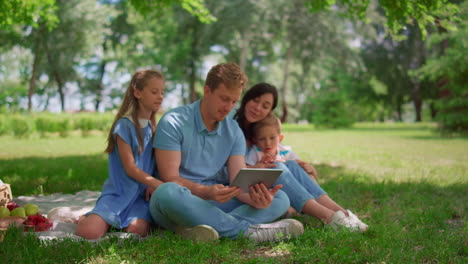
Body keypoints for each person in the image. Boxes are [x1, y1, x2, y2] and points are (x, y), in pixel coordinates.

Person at [148, 63, 304, 242]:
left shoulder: (233, 131)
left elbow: (238, 182)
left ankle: (197, 230)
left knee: (280, 198)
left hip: (216, 201)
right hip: (181, 201)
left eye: (233, 101)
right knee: (166, 192)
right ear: (207, 91)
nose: (229, 107)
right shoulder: (174, 121)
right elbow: (170, 178)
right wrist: (205, 191)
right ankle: (247, 232)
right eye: (224, 98)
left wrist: (256, 199)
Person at [234, 82, 368, 232]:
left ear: (270, 112)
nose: (258, 108)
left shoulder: (257, 130)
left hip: (263, 183)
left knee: (290, 165)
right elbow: (231, 171)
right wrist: (255, 167)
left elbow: (283, 153)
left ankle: (342, 213)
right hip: (238, 187)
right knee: (277, 166)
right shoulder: (233, 126)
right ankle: (329, 217)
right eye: (255, 100)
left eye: (265, 106)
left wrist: (304, 168)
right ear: (247, 98)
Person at [76, 69, 166, 240]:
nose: (160, 96)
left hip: (140, 198)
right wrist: (157, 183)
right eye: (154, 92)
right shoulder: (124, 126)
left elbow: (152, 164)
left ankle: (107, 221)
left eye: (162, 92)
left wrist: (150, 184)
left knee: (137, 230)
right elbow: (131, 168)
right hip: (118, 193)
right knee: (89, 233)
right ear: (137, 92)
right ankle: (88, 218)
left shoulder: (153, 129)